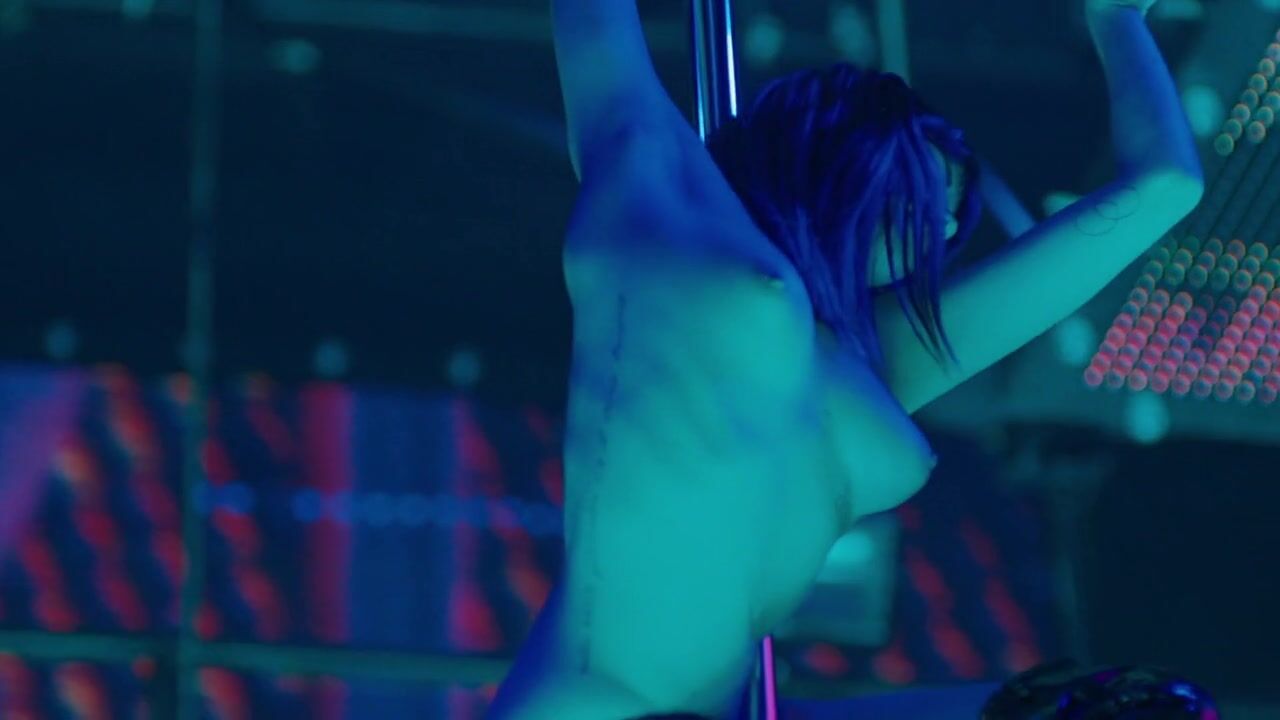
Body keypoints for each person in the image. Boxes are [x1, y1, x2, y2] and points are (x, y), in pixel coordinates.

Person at [489, 0, 1203, 717]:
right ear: (846, 156)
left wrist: (1117, 20)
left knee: (1116, 707)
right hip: (596, 705)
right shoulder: (670, 223)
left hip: (721, 708)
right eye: (928, 186)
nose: (943, 226)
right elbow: (595, 30)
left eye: (951, 216)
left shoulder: (872, 357)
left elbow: (1166, 187)